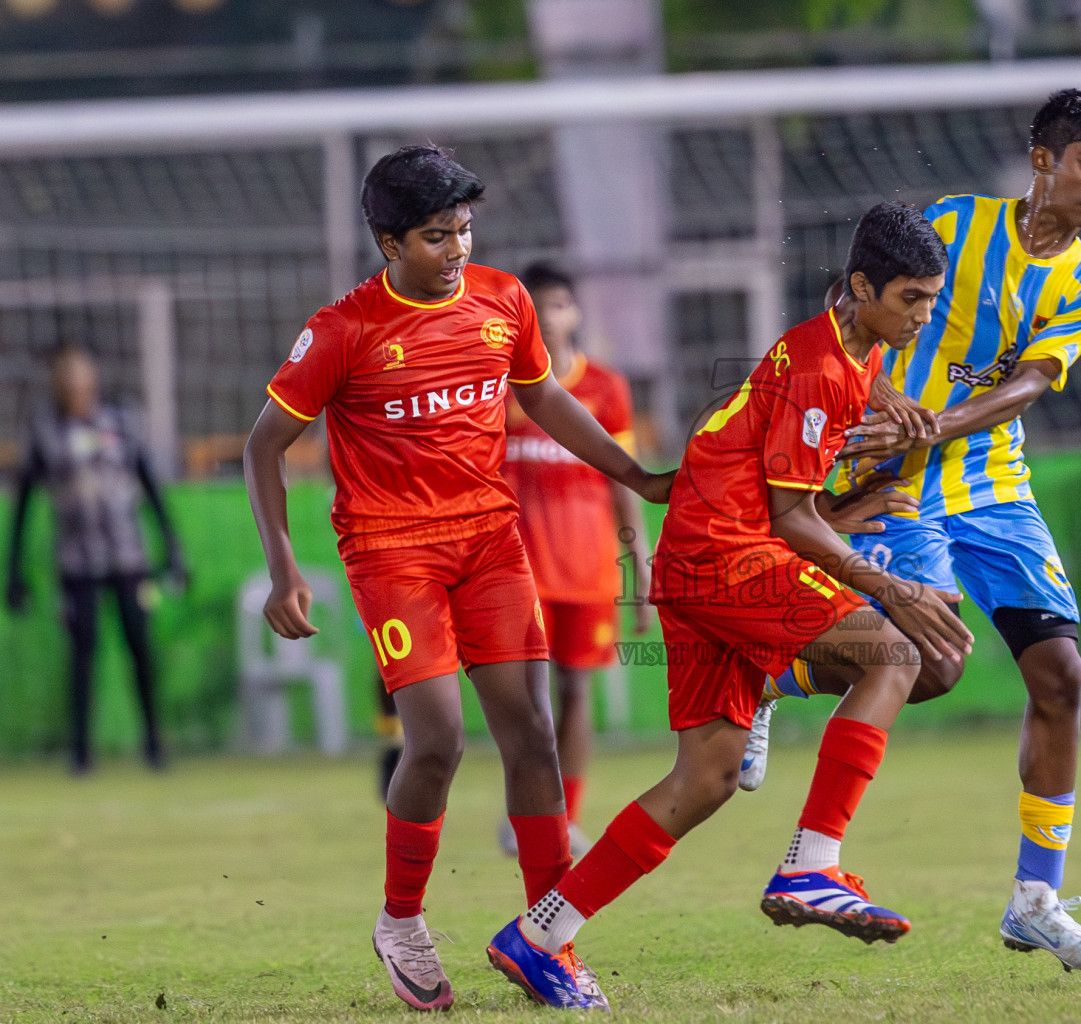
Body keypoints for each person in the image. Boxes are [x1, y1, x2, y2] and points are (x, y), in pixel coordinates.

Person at [482, 201, 974, 1011]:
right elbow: (789, 517)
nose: (925, 315)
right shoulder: (820, 370)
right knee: (899, 654)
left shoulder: (843, 342)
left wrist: (883, 398)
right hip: (726, 555)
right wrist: (884, 584)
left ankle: (538, 936)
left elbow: (814, 401)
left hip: (695, 561)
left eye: (931, 297)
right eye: (913, 299)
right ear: (861, 287)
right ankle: (813, 863)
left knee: (705, 778)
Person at [243, 145, 671, 1013]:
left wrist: (637, 476)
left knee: (536, 737)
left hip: (488, 542)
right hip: (391, 551)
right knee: (436, 738)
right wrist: (282, 567)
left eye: (466, 231)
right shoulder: (343, 331)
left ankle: (551, 939)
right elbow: (263, 446)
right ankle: (401, 919)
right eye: (438, 237)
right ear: (387, 241)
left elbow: (546, 398)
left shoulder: (503, 300)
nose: (458, 251)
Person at [743, 89, 1081, 974]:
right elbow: (852, 303)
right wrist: (884, 403)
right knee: (931, 664)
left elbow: (1032, 383)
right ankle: (776, 675)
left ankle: (1036, 900)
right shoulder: (956, 225)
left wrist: (931, 422)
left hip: (992, 482)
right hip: (894, 479)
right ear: (1042, 159)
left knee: (1062, 673)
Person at [497, 262, 653, 859]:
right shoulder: (501, 387)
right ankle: (531, 813)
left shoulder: (607, 389)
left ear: (575, 313)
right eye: (538, 308)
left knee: (575, 692)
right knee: (531, 698)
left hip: (586, 568)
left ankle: (567, 815)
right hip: (517, 569)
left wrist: (636, 562)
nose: (550, 319)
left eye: (559, 306)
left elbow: (622, 480)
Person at [5, 344, 184, 774]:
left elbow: (149, 485)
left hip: (128, 557)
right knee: (82, 653)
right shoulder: (46, 430)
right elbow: (25, 501)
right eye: (65, 374)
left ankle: (155, 744)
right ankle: (81, 753)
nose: (74, 381)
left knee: (139, 646)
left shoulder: (122, 421)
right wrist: (13, 571)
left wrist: (171, 548)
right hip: (76, 562)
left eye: (80, 371)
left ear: (93, 377)